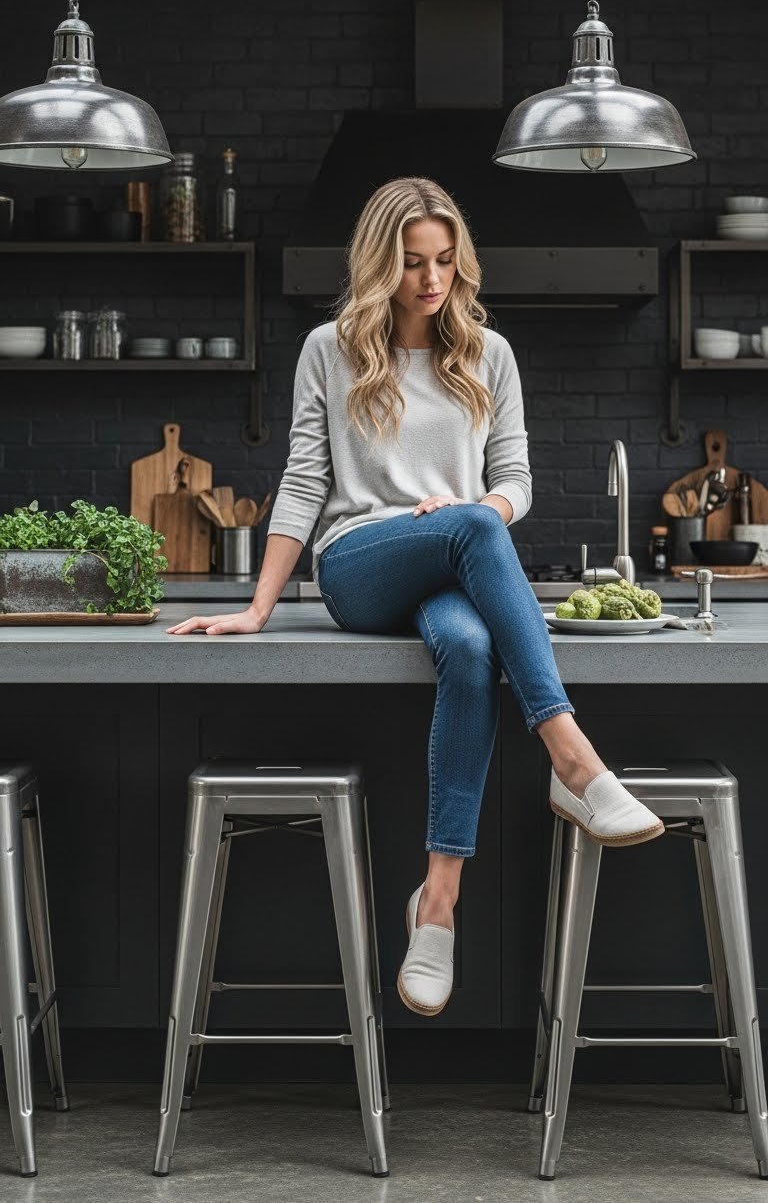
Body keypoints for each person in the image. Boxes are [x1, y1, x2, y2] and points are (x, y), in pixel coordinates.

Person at [167, 176, 664, 1018]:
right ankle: (574, 761)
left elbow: (514, 483)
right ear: (378, 265)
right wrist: (257, 607)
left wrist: (480, 511)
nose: (431, 280)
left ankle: (436, 905)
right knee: (475, 529)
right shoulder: (330, 349)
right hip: (359, 564)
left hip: (455, 564)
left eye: (443, 261)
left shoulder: (487, 355)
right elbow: (302, 480)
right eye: (410, 263)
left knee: (471, 647)